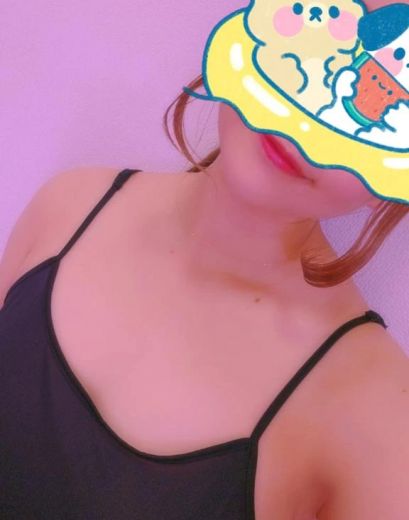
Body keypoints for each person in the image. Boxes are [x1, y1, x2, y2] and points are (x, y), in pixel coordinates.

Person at [0, 0, 408, 518]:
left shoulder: (377, 416)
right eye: (329, 33)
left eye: (396, 87)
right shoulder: (68, 203)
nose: (307, 124)